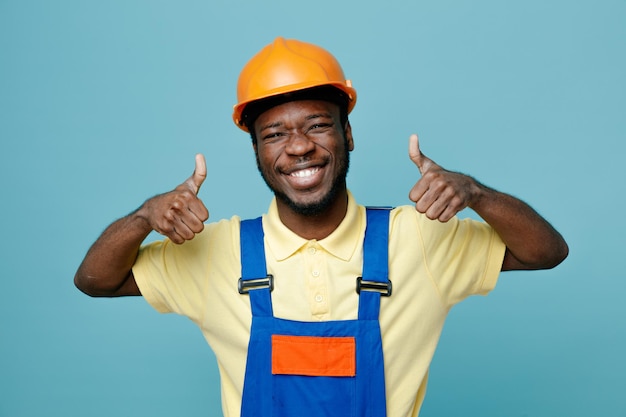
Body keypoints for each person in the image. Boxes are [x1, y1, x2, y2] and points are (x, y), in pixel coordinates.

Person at [75, 37, 568, 417]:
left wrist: (475, 193)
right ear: (257, 153)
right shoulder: (217, 250)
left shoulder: (418, 238)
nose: (298, 147)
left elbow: (544, 251)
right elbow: (97, 281)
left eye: (317, 125)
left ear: (347, 134)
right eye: (274, 134)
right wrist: (143, 217)